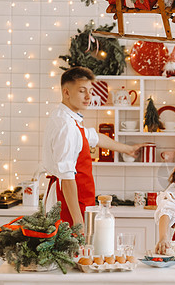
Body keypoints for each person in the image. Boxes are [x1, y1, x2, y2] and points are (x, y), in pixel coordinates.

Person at [42, 67, 144, 229]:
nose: (89, 96)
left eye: (91, 91)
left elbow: (95, 137)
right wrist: (78, 222)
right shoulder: (66, 126)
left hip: (78, 201)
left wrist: (127, 149)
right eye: (82, 91)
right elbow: (67, 177)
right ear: (66, 92)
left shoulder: (69, 119)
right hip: (69, 205)